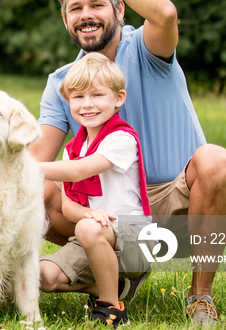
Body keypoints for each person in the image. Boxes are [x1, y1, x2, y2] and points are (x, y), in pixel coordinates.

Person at [32, 0, 226, 326]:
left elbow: (164, 14)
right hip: (104, 215)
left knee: (214, 159)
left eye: (97, 4)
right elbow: (35, 161)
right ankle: (113, 276)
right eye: (75, 8)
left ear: (120, 10)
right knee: (37, 192)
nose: (86, 15)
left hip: (177, 204)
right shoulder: (62, 81)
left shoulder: (148, 49)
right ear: (64, 18)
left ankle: (200, 296)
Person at [38, 53, 151, 328]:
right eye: (78, 97)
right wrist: (89, 213)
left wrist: (24, 166)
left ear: (118, 98)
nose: (87, 104)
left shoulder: (121, 138)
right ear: (68, 102)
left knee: (86, 228)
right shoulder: (72, 149)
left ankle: (111, 306)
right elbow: (68, 207)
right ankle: (113, 286)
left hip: (135, 238)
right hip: (94, 236)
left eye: (97, 95)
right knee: (41, 275)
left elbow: (79, 171)